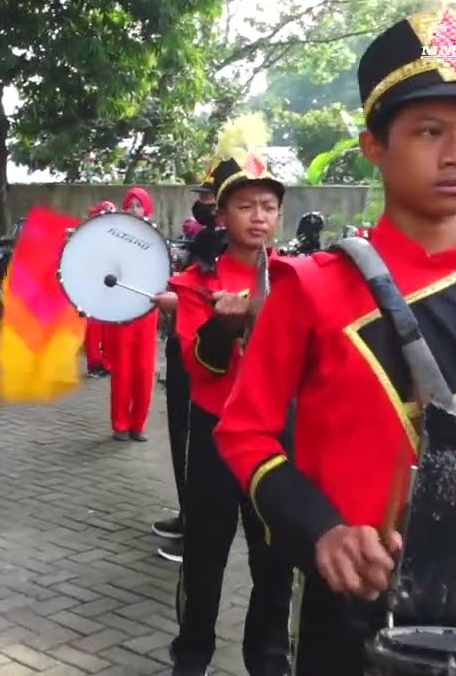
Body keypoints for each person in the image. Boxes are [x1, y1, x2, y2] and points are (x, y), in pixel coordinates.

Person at [213, 0, 456, 674]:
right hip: (348, 616)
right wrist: (321, 533)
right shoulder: (313, 288)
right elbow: (246, 431)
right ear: (375, 146)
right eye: (429, 131)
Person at [166, 115, 292, 676]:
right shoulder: (196, 285)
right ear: (222, 216)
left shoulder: (298, 280)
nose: (259, 216)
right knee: (205, 558)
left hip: (276, 440)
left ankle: (267, 661)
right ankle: (191, 658)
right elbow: (201, 366)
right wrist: (223, 324)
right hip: (216, 434)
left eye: (268, 206)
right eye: (246, 206)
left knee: (274, 561)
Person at [152, 177, 215, 561]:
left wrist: (178, 302)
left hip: (202, 354)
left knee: (194, 442)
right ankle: (188, 513)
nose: (203, 202)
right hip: (184, 347)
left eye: (209, 196)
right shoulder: (208, 237)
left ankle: (198, 528)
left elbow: (213, 299)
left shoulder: (220, 243)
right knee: (181, 439)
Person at [108, 187, 159, 442]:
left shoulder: (156, 239)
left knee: (144, 369)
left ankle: (139, 424)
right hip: (123, 309)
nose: (135, 209)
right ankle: (120, 424)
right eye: (131, 205)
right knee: (123, 369)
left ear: (147, 208)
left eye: (139, 205)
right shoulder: (117, 238)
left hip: (148, 310)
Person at [84, 200, 117, 378]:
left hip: (109, 288)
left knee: (108, 328)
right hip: (94, 289)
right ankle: (96, 363)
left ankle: (106, 362)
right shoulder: (90, 237)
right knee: (95, 328)